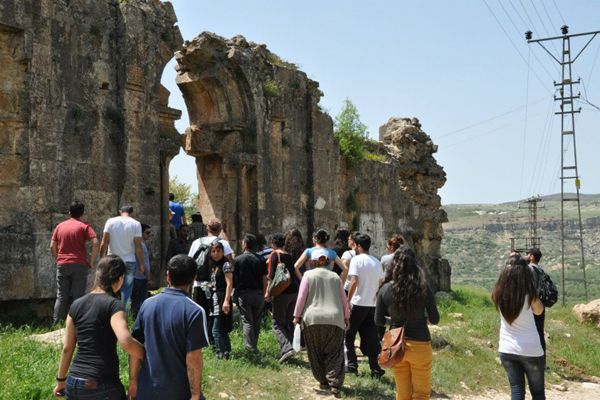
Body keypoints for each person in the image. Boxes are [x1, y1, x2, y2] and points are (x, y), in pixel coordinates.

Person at [53, 255, 145, 399]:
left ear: (97, 275)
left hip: (74, 382)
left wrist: (61, 380)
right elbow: (126, 341)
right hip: (102, 383)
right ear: (120, 279)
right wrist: (146, 354)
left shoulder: (76, 305)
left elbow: (67, 348)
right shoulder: (114, 305)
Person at [130, 254, 209, 400]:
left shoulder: (147, 304)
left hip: (147, 390)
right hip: (179, 392)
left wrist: (133, 382)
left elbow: (135, 348)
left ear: (168, 276)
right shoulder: (194, 311)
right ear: (194, 278)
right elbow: (193, 357)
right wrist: (196, 394)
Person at [375, 246, 440, 400]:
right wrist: (423, 319)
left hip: (396, 347)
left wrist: (394, 321)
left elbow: (378, 320)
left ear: (394, 265)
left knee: (402, 394)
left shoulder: (385, 289)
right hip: (420, 345)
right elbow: (435, 318)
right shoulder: (423, 287)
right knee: (421, 395)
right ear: (415, 265)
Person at [293, 243, 350, 396]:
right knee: (335, 352)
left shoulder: (308, 275)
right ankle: (335, 383)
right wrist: (347, 317)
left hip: (312, 320)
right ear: (329, 262)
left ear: (313, 262)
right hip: (335, 319)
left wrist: (296, 316)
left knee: (315, 351)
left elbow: (301, 298)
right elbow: (344, 300)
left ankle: (323, 381)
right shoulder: (336, 277)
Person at [492, 254, 545, 400]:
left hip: (507, 349)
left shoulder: (498, 293)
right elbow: (539, 311)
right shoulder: (529, 294)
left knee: (516, 391)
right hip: (531, 350)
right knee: (538, 393)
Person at [50, 201, 99, 324]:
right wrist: (91, 261)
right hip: (79, 263)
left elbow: (52, 245)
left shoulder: (59, 226)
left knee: (61, 296)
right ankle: (77, 323)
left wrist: (58, 258)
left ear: (69, 212)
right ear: (82, 213)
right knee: (78, 296)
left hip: (62, 263)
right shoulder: (84, 226)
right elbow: (95, 242)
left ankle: (57, 323)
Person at [345, 233, 386, 378]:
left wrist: (347, 301)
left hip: (358, 303)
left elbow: (354, 281)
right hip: (372, 305)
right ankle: (375, 369)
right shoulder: (376, 261)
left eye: (355, 245)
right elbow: (381, 282)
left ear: (359, 246)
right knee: (371, 338)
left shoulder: (356, 260)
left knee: (349, 335)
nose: (354, 247)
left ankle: (351, 365)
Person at [188, 218, 234, 344]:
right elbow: (229, 263)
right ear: (220, 230)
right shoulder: (223, 243)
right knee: (215, 315)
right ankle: (215, 342)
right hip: (215, 286)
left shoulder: (196, 242)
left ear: (207, 229)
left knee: (201, 314)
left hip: (198, 284)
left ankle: (202, 341)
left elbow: (190, 263)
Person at [100, 205, 145, 312]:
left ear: (120, 211)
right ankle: (124, 316)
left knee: (109, 288)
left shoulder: (110, 221)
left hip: (112, 260)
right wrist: (141, 265)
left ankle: (108, 313)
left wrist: (102, 259)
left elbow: (104, 242)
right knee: (126, 291)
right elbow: (138, 246)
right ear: (132, 212)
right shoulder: (136, 224)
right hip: (129, 261)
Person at [265, 233, 300, 362]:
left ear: (273, 244)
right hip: (294, 291)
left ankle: (286, 349)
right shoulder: (289, 256)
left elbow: (271, 276)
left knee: (277, 323)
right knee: (287, 321)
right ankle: (292, 348)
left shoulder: (275, 255)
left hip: (282, 293)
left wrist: (268, 293)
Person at [234, 233, 268, 351]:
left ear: (246, 244)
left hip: (244, 294)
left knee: (247, 321)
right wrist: (264, 294)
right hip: (258, 294)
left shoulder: (238, 259)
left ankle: (250, 348)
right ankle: (254, 345)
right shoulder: (261, 259)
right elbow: (265, 279)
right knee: (257, 321)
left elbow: (235, 280)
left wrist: (235, 295)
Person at [209, 241, 234, 360]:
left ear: (223, 252)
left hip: (222, 297)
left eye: (218, 251)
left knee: (216, 330)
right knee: (222, 328)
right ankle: (226, 352)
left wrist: (226, 301)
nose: (216, 254)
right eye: (213, 251)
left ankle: (220, 353)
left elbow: (229, 284)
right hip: (215, 297)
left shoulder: (226, 265)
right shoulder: (215, 265)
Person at [526, 247, 547, 358]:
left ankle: (531, 357)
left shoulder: (529, 269)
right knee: (539, 332)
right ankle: (542, 358)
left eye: (528, 254)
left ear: (532, 257)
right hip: (541, 304)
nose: (526, 256)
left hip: (531, 304)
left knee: (530, 331)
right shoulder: (540, 270)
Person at [132, 223, 151, 318]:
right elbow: (144, 263)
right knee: (140, 302)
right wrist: (148, 277)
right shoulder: (141, 245)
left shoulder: (137, 244)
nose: (149, 235)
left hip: (136, 276)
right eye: (147, 233)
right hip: (140, 277)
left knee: (136, 301)